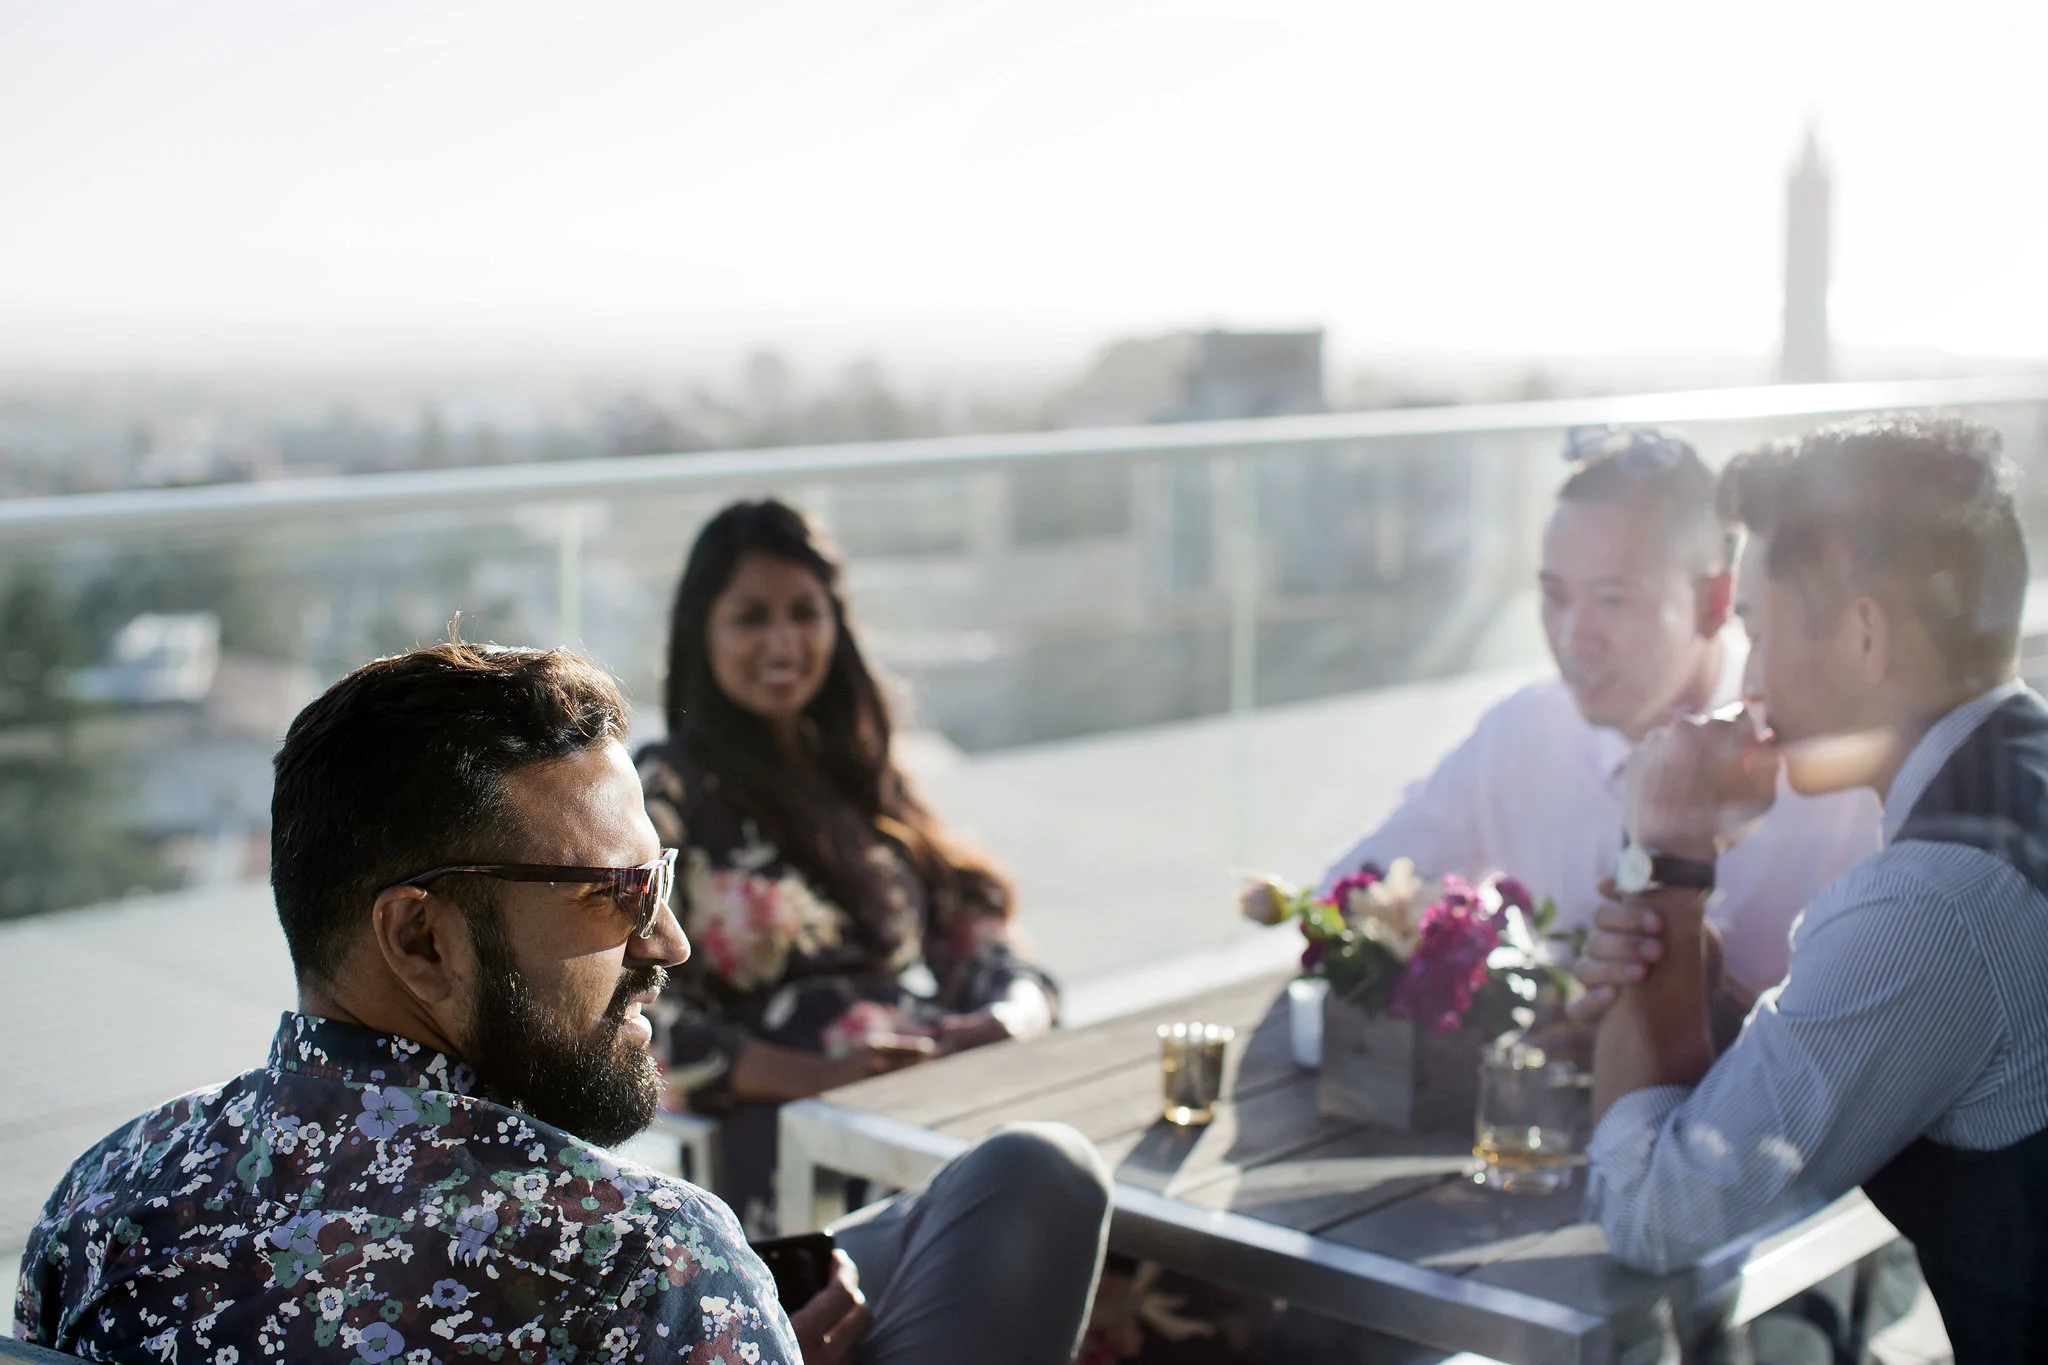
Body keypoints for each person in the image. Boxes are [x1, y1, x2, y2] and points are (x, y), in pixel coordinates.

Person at [13, 642, 1111, 1365]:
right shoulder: (646, 1265)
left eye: (660, 878)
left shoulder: (108, 1198)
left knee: (991, 1187)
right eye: (615, 893)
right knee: (1035, 1180)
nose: (668, 941)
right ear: (419, 937)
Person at [1577, 416, 2048, 1360]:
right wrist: (1687, 959)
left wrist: (1665, 860)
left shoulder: (1936, 902)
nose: (1749, 681)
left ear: (1866, 633)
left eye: (1755, 627)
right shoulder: (2018, 787)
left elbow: (1651, 1211)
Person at [1300, 426, 1880, 1001]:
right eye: (1555, 596)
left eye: (1612, 599)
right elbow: (1345, 899)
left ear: (1713, 603)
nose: (1574, 638)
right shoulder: (1523, 735)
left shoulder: (1821, 771)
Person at [637, 499, 1057, 1223]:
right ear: (701, 629)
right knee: (1019, 1225)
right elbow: (640, 1020)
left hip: (921, 1105)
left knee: (1100, 1209)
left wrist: (1009, 1018)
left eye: (805, 612)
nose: (783, 640)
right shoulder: (667, 791)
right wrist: (829, 1076)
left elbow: (987, 943)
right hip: (795, 1144)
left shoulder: (857, 777)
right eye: (751, 616)